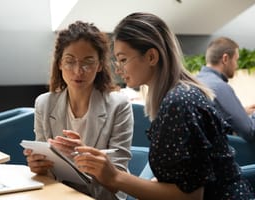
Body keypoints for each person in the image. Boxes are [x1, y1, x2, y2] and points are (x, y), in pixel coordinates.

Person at [73, 12, 254, 200]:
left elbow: (190, 197)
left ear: (151, 56)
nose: (119, 69)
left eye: (123, 59)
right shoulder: (179, 95)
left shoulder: (179, 103)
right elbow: (184, 180)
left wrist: (115, 177)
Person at [23, 21, 133, 200]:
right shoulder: (44, 103)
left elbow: (117, 176)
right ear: (59, 63)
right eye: (70, 61)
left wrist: (85, 156)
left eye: (88, 62)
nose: (78, 71)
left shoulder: (118, 105)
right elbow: (47, 171)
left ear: (99, 66)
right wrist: (39, 166)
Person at [196, 37, 255, 142]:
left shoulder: (197, 81)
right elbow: (249, 131)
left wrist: (242, 113)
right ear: (225, 59)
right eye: (236, 60)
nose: (237, 65)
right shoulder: (218, 86)